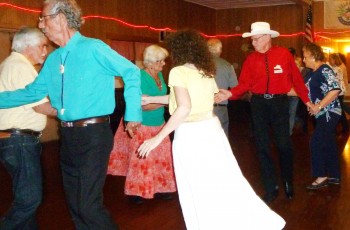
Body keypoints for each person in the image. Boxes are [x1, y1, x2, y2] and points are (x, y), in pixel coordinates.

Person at [0, 0, 142, 229]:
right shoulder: (54, 59)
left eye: (43, 17)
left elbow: (131, 72)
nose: (41, 24)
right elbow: (32, 93)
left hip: (94, 136)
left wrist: (133, 113)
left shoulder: (94, 48)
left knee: (87, 204)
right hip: (67, 137)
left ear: (61, 18)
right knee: (75, 205)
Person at [137, 29, 285, 230]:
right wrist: (152, 98)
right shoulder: (205, 71)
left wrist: (158, 138)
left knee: (197, 187)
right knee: (222, 181)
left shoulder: (178, 71)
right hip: (211, 129)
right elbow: (187, 99)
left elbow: (184, 107)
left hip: (192, 134)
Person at [215, 22, 312, 203]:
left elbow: (298, 81)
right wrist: (230, 93)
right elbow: (244, 84)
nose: (253, 43)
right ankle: (271, 186)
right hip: (258, 104)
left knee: (284, 145)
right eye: (252, 39)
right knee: (262, 146)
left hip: (279, 103)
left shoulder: (283, 55)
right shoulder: (251, 59)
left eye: (256, 39)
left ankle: (287, 181)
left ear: (267, 37)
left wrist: (308, 102)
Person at [0, 27, 57, 230]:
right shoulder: (20, 66)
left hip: (15, 141)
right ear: (28, 46)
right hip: (19, 141)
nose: (45, 51)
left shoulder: (12, 64)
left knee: (26, 198)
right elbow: (40, 105)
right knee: (29, 199)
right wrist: (73, 112)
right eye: (42, 46)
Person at [107, 44, 176, 204]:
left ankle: (161, 188)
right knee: (141, 161)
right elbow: (143, 105)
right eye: (160, 61)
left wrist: (166, 101)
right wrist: (170, 101)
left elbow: (153, 101)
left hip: (160, 124)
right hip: (142, 126)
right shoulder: (139, 76)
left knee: (161, 159)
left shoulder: (159, 76)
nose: (164, 64)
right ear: (150, 62)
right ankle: (136, 192)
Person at [303, 44, 342, 189]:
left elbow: (335, 89)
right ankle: (334, 175)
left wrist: (318, 106)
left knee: (316, 141)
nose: (303, 59)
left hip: (329, 112)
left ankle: (322, 176)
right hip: (322, 114)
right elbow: (301, 91)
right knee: (329, 143)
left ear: (313, 56)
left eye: (305, 56)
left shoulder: (324, 69)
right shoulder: (311, 73)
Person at [207, 38, 238, 136]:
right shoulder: (227, 65)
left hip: (201, 107)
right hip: (220, 108)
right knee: (222, 138)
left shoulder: (197, 65)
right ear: (220, 50)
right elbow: (235, 87)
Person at [329, 53, 349, 133]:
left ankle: (344, 127)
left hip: (338, 91)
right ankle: (344, 127)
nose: (329, 61)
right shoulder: (338, 68)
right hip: (340, 91)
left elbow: (334, 81)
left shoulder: (336, 69)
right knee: (339, 108)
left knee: (338, 109)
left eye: (330, 59)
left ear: (334, 60)